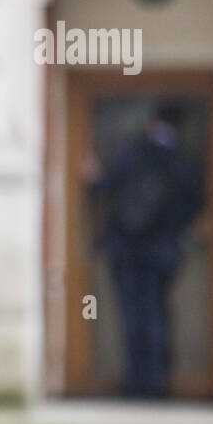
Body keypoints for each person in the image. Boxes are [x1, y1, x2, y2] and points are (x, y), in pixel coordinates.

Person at [82, 102, 201, 399]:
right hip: (163, 250)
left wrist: (91, 175)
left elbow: (103, 187)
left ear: (153, 122)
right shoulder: (181, 161)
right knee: (157, 312)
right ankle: (158, 381)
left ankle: (138, 381)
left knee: (133, 314)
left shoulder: (133, 151)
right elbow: (193, 205)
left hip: (126, 248)